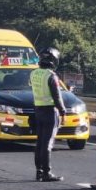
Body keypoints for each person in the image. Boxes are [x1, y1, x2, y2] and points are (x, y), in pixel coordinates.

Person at [28, 47, 67, 182]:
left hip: (38, 110)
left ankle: (39, 171)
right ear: (53, 61)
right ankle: (47, 172)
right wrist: (63, 111)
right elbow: (57, 96)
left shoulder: (34, 74)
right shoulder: (51, 76)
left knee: (39, 142)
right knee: (47, 143)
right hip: (50, 111)